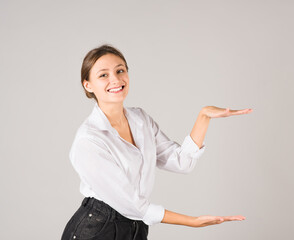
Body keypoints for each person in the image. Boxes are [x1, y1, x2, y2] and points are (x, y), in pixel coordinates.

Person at [61, 44, 252, 240]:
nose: (116, 79)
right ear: (88, 85)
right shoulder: (89, 140)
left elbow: (180, 161)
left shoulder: (140, 119)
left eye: (120, 71)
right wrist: (192, 221)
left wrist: (204, 117)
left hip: (137, 225)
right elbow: (133, 205)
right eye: (103, 75)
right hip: (97, 228)